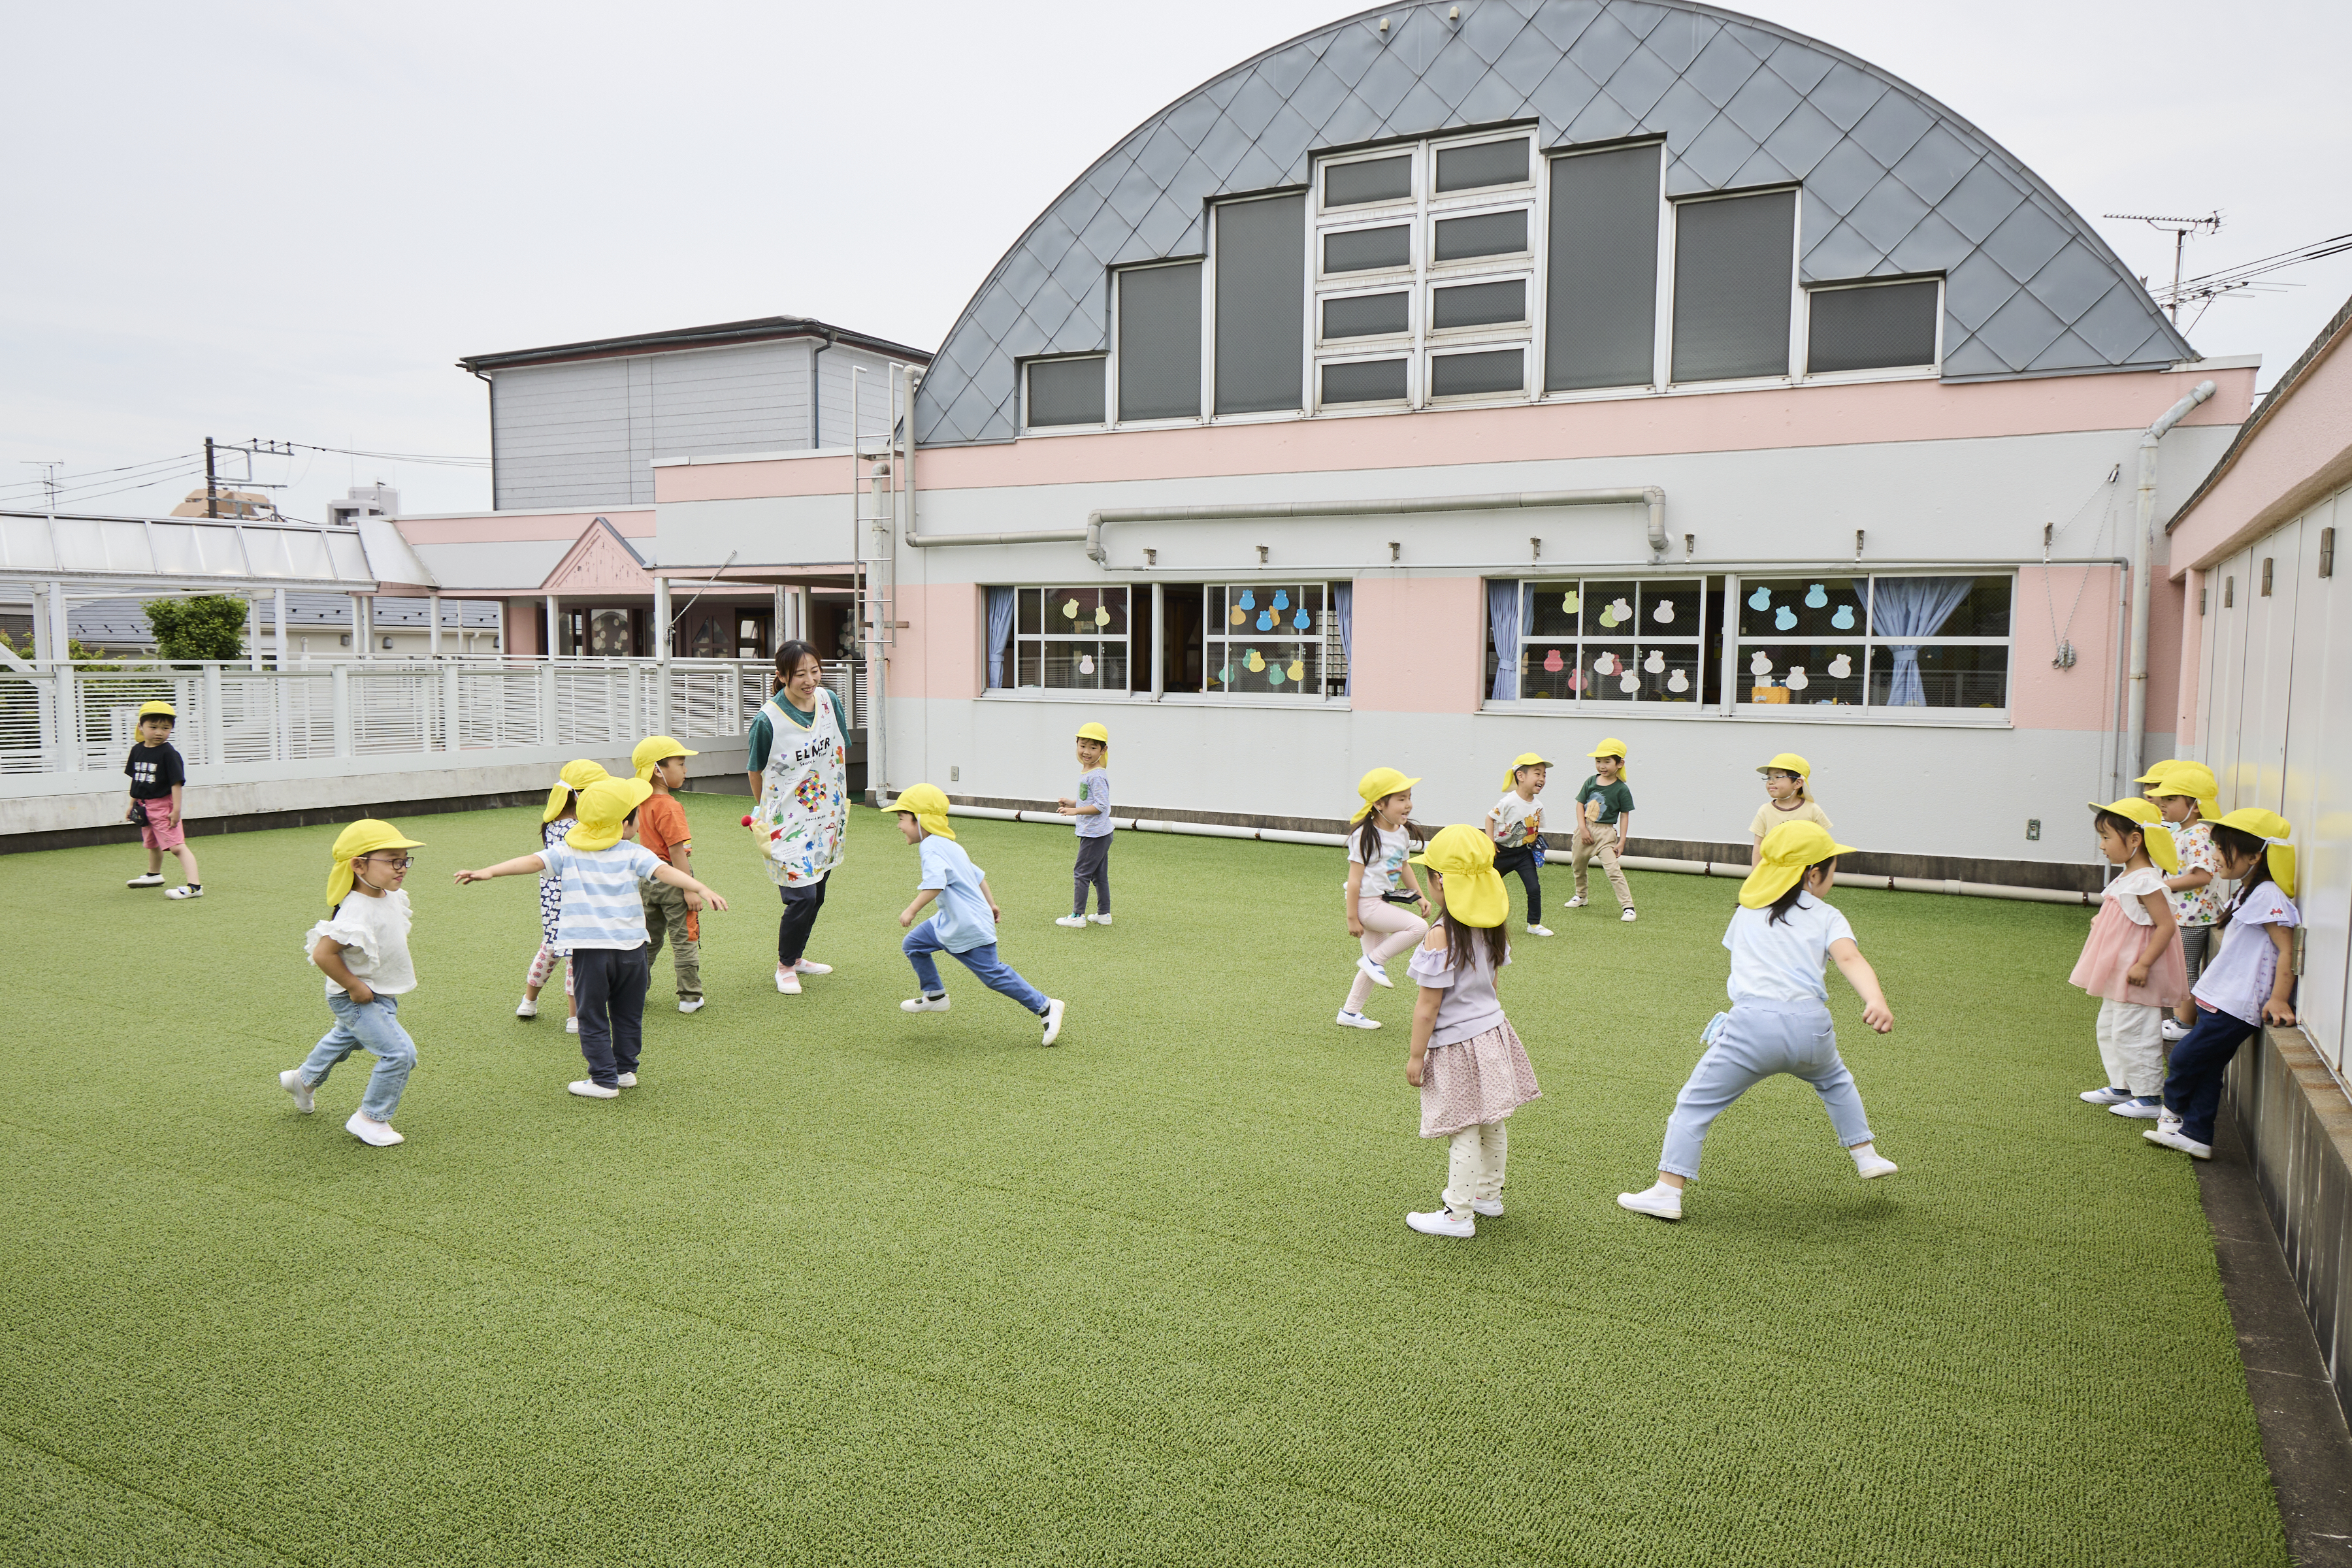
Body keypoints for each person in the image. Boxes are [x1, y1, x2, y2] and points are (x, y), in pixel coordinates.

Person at [1617, 821, 1897, 1221]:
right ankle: (1866, 1155)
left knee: (1694, 1105)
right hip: (1812, 1026)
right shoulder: (1828, 915)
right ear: (1814, 874)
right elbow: (1849, 959)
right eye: (1833, 869)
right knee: (1836, 1082)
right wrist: (1876, 1000)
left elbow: (1741, 958)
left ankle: (1666, 1192)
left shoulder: (1747, 912)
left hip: (1752, 1028)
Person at [456, 777, 730, 1100]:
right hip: (632, 950)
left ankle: (602, 1079)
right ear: (625, 824)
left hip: (591, 951)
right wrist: (699, 887)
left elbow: (532, 862)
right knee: (628, 1013)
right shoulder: (633, 852)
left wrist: (488, 871)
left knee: (592, 1014)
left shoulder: (568, 851)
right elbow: (665, 871)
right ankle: (625, 1071)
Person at [1401, 826, 1542, 1239]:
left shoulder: (1440, 934)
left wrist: (1415, 1056)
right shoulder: (1492, 926)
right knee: (1492, 1121)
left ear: (1440, 882)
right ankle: (1488, 1196)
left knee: (1462, 1127)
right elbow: (1493, 985)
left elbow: (1428, 1007)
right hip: (1493, 1031)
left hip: (1457, 1044)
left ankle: (1457, 1214)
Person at [2147, 809, 2300, 1160]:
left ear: (2254, 857)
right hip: (2221, 998)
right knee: (2207, 1068)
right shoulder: (2250, 890)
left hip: (2237, 1005)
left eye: (2222, 849)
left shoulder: (2269, 896)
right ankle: (2197, 1135)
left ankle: (2172, 1113)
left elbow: (2287, 949)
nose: (2215, 855)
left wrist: (2279, 999)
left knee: (2185, 1057)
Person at [280, 819, 427, 1147]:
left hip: (378, 993)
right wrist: (354, 986)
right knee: (400, 1054)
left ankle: (302, 1081)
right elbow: (324, 953)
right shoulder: (356, 909)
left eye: (405, 860)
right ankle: (371, 1118)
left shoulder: (388, 894)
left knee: (345, 1039)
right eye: (393, 860)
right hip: (358, 997)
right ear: (358, 865)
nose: (402, 868)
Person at [886, 783, 1066, 1045]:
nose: (900, 826)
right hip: (952, 920)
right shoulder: (949, 845)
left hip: (966, 925)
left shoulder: (931, 848)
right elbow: (978, 875)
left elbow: (936, 884)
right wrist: (991, 904)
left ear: (920, 820)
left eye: (902, 819)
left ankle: (1046, 1006)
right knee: (914, 944)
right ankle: (935, 995)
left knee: (993, 975)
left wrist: (911, 910)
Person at [2069, 798, 2187, 1120]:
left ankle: (2149, 1096)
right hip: (2119, 971)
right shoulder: (2128, 877)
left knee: (2134, 1031)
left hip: (2136, 973)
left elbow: (2166, 925)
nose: (2102, 845)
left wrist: (2144, 964)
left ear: (2135, 840)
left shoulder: (2147, 880)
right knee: (2110, 1027)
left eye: (2107, 837)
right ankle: (2122, 1085)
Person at [745, 640, 849, 995]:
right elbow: (756, 769)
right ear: (781, 676)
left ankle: (797, 956)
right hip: (786, 821)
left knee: (817, 891)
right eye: (800, 674)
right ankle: (785, 966)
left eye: (815, 671)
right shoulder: (768, 719)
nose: (810, 680)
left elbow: (837, 751)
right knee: (800, 896)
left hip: (826, 814)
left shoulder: (830, 701)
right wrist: (764, 811)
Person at [1336, 767, 1431, 1032]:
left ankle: (1350, 1012)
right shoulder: (1365, 836)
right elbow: (1354, 880)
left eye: (1409, 797)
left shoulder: (1400, 832)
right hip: (1366, 905)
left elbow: (1404, 868)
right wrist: (1352, 918)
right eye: (1401, 799)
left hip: (1380, 902)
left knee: (1373, 964)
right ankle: (1374, 960)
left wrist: (1420, 896)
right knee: (1418, 928)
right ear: (1379, 804)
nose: (1408, 804)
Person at [517, 759, 606, 1030]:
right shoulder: (579, 830)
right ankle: (575, 1017)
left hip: (552, 902)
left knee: (549, 950)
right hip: (575, 900)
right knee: (576, 958)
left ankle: (528, 1002)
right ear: (582, 796)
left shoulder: (552, 825)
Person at [2137, 761, 2222, 1045]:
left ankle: (2185, 1022)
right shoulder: (2182, 831)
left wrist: (2160, 886)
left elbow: (2202, 875)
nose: (2161, 803)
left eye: (2171, 799)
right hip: (2182, 914)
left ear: (2195, 805)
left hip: (2192, 915)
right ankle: (2180, 1019)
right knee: (2179, 966)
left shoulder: (2199, 834)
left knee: (2185, 967)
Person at [633, 734, 706, 1014]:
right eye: (680, 763)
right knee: (684, 937)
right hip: (673, 880)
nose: (685, 770)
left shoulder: (642, 802)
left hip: (648, 880)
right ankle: (690, 996)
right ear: (657, 769)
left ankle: (635, 992)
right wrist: (690, 889)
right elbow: (677, 852)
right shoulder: (670, 806)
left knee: (648, 941)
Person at [123, 700, 202, 899]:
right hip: (144, 806)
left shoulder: (169, 753)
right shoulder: (137, 750)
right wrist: (132, 803)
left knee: (176, 846)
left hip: (163, 807)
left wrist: (176, 810)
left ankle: (195, 886)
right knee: (153, 843)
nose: (159, 732)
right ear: (141, 726)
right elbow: (137, 779)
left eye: (166, 728)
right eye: (154, 727)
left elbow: (176, 783)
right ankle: (154, 875)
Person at [1054, 721, 1115, 929]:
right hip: (1099, 833)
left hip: (1095, 835)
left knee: (1081, 873)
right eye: (1083, 746)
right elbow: (1090, 801)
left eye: (1093, 747)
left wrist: (1075, 811)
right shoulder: (1090, 773)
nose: (1086, 752)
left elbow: (1101, 805)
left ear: (1103, 750)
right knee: (1099, 876)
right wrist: (1073, 803)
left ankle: (1077, 916)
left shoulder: (1097, 776)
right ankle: (1104, 914)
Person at [1485, 752, 1553, 938]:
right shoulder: (1508, 801)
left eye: (1544, 775)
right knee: (1487, 886)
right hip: (1501, 853)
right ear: (1521, 776)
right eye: (1537, 773)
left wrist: (1536, 847)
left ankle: (1534, 924)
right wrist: (1490, 842)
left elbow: (1536, 829)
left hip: (1524, 854)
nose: (1542, 778)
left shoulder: (1538, 806)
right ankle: (1482, 919)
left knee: (1534, 888)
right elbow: (1490, 819)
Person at [1571, 738, 1637, 923]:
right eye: (1598, 761)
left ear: (1620, 764)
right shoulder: (1591, 781)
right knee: (1578, 866)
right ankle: (1581, 896)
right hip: (1584, 831)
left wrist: (1622, 840)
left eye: (1607, 761)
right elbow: (1579, 804)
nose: (1602, 766)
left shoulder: (1621, 789)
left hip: (1606, 834)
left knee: (1613, 870)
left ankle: (1628, 908)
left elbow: (1625, 815)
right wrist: (1583, 829)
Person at [1750, 752, 1831, 865]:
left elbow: (1823, 843)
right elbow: (1758, 845)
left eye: (1778, 777)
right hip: (1771, 873)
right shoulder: (1765, 811)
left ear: (1798, 783)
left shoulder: (1813, 810)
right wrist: (1755, 874)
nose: (1771, 782)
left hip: (1802, 872)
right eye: (1769, 778)